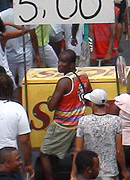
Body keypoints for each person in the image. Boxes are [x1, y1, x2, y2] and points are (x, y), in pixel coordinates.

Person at [39, 50, 88, 180]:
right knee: (75, 154)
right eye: (59, 60)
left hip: (63, 125)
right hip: (79, 123)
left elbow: (51, 106)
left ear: (72, 64)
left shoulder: (64, 82)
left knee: (44, 153)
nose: (59, 64)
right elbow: (89, 95)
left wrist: (50, 99)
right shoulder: (83, 75)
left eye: (63, 62)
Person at [74, 89, 125, 180]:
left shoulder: (83, 121)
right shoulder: (116, 121)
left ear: (93, 104)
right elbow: (119, 151)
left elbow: (78, 150)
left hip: (89, 171)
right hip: (110, 171)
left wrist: (73, 173)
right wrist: (124, 170)